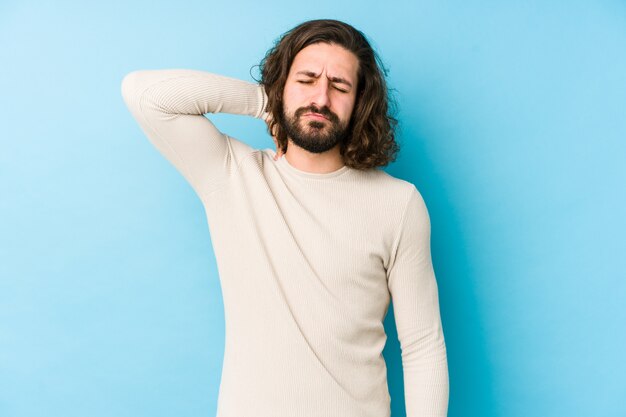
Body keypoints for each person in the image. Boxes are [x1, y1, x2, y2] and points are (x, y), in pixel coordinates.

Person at [121, 18, 449, 417]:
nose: (321, 99)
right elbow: (144, 94)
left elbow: (422, 346)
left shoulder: (398, 204)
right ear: (282, 85)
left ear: (359, 101)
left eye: (340, 86)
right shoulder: (232, 174)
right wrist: (264, 103)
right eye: (307, 79)